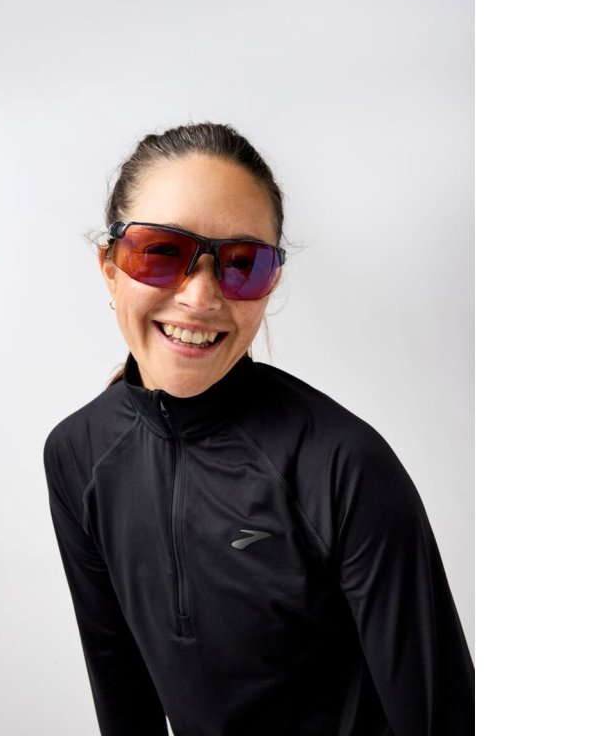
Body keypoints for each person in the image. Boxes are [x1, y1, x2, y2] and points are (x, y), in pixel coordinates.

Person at [44, 123, 474, 735]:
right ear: (110, 267)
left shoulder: (343, 465)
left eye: (243, 264)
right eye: (161, 252)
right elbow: (122, 696)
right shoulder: (77, 454)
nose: (200, 297)